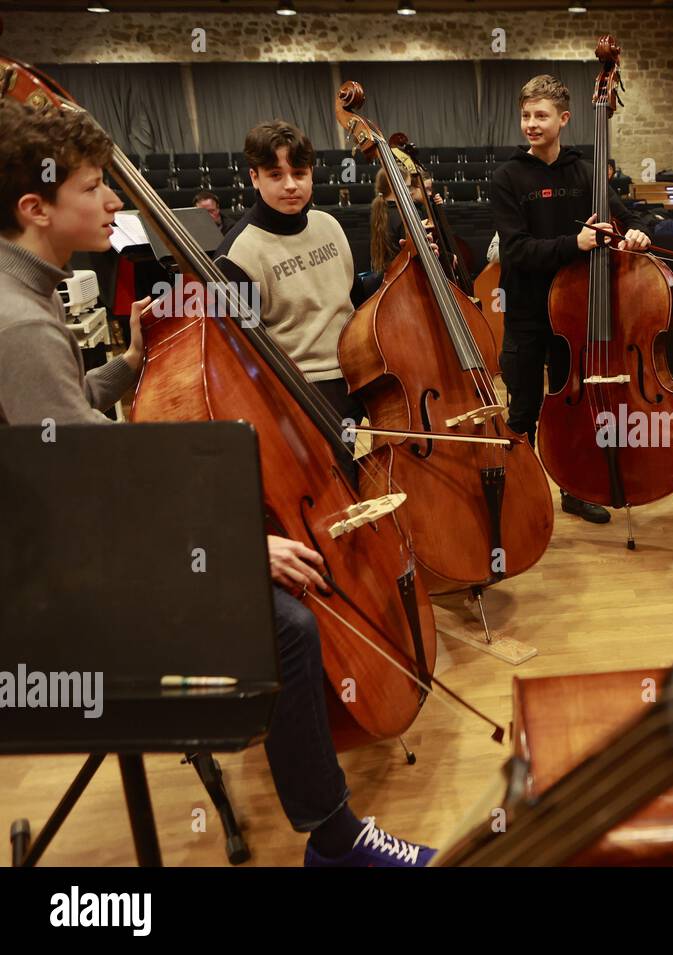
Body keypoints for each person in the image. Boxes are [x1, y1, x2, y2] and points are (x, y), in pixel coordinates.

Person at [0, 98, 435, 867]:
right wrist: (238, 550)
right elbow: (83, 497)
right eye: (97, 187)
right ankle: (334, 840)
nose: (114, 202)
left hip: (48, 551)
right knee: (291, 627)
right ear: (35, 206)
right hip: (54, 602)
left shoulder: (20, 297)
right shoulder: (23, 325)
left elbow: (50, 423)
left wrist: (126, 370)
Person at [489, 74, 653, 525]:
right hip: (527, 313)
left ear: (563, 118)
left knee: (572, 410)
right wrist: (574, 243)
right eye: (525, 115)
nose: (531, 124)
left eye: (541, 115)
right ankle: (517, 495)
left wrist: (638, 232)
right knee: (523, 411)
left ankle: (574, 490)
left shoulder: (585, 173)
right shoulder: (506, 178)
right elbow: (516, 250)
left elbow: (630, 218)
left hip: (576, 318)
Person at [215, 121, 369, 427]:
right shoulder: (237, 255)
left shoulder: (328, 225)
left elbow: (357, 302)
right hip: (304, 390)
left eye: (299, 173)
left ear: (311, 173)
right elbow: (244, 358)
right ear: (254, 178)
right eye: (275, 175)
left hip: (363, 371)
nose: (290, 185)